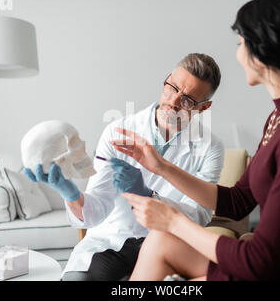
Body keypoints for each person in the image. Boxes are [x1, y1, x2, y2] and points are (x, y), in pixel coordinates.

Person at [111, 0, 280, 281]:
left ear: (264, 49)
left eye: (241, 41)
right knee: (158, 241)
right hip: (275, 265)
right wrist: (160, 166)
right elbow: (236, 202)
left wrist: (173, 221)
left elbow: (259, 260)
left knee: (162, 245)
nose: (238, 52)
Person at [24, 53, 225, 281]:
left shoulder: (210, 147)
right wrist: (70, 194)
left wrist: (149, 197)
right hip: (113, 239)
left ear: (204, 107)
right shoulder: (118, 130)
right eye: (172, 87)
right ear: (167, 79)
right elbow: (96, 210)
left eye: (188, 99)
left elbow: (199, 215)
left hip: (167, 241)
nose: (174, 101)